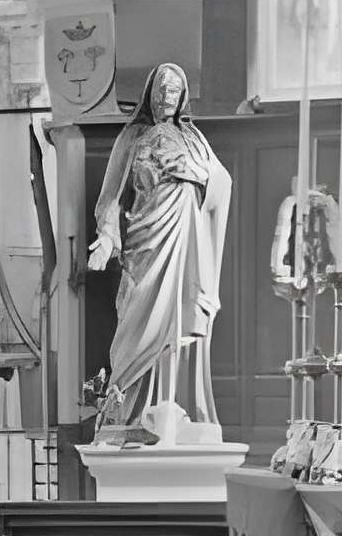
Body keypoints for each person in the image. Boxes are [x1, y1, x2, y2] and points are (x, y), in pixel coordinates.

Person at [84, 61, 232, 440]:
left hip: (187, 238)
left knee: (181, 320)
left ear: (182, 97)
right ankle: (128, 412)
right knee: (139, 320)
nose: (167, 96)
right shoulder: (134, 136)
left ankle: (175, 408)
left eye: (174, 90)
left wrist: (198, 176)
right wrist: (106, 236)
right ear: (151, 92)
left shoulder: (195, 138)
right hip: (147, 242)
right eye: (162, 89)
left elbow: (221, 182)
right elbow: (111, 196)